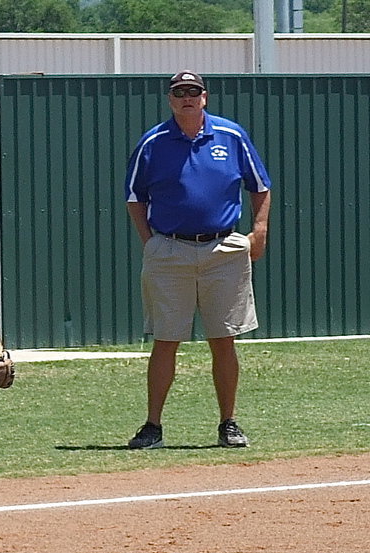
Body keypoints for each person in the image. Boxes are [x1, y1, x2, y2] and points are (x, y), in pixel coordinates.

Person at [124, 70, 272, 449]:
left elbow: (260, 187)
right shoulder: (153, 142)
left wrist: (259, 231)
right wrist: (151, 243)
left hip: (223, 250)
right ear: (170, 100)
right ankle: (152, 426)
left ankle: (229, 423)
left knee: (223, 339)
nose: (186, 98)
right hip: (170, 250)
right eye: (179, 93)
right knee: (166, 339)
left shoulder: (231, 135)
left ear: (205, 97)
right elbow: (134, 198)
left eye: (193, 91)